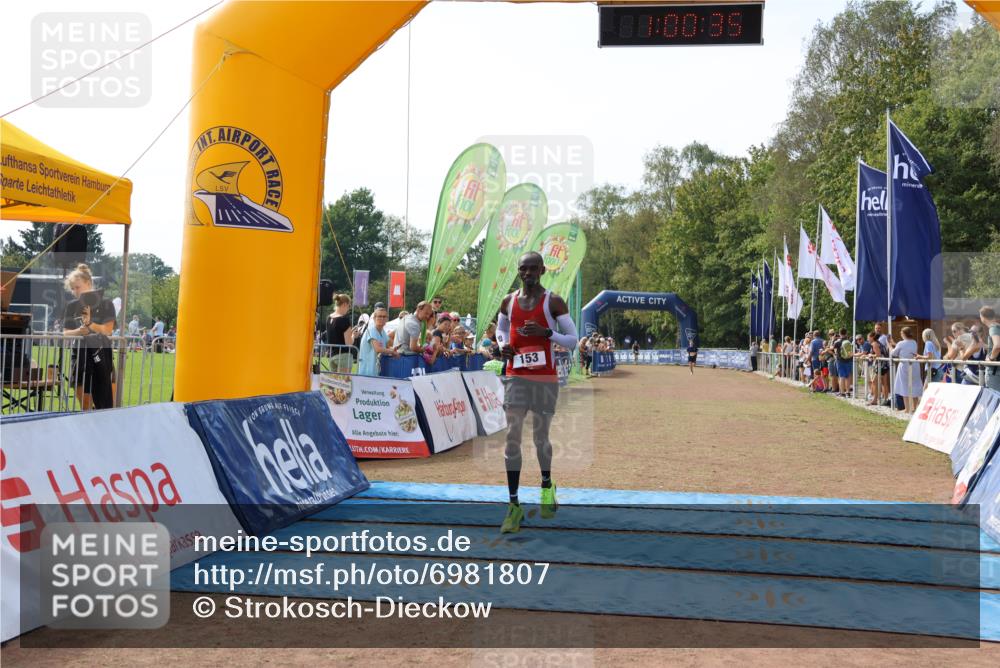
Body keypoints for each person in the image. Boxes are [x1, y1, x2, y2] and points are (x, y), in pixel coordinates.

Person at [496, 251, 578, 534]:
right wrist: (503, 345)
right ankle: (513, 505)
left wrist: (547, 334)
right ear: (518, 271)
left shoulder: (552, 301)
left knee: (540, 437)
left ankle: (546, 487)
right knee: (511, 437)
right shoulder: (509, 301)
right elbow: (501, 330)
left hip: (544, 379)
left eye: (533, 269)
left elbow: (573, 340)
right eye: (523, 269)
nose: (528, 273)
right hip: (516, 376)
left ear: (543, 270)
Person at [61, 263, 116, 410]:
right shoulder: (71, 305)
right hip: (80, 354)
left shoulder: (106, 303)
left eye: (77, 287)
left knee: (106, 405)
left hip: (102, 354)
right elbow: (65, 332)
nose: (75, 291)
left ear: (88, 283)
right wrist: (79, 331)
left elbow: (108, 330)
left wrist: (91, 325)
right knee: (85, 405)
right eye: (72, 289)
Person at [357, 306, 398, 376]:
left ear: (387, 319)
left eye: (384, 317)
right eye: (379, 316)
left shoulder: (382, 331)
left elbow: (389, 345)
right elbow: (378, 349)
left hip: (376, 369)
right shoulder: (372, 330)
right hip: (367, 370)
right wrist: (392, 352)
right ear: (374, 318)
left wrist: (395, 349)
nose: (382, 318)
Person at [890, 327, 922, 413]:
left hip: (904, 365)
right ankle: (914, 407)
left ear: (904, 334)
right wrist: (895, 344)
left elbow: (893, 353)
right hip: (914, 365)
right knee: (914, 384)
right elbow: (905, 348)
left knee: (904, 386)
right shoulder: (914, 342)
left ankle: (907, 408)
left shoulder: (901, 343)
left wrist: (890, 346)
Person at [325, 294, 356, 371]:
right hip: (343, 356)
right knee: (344, 382)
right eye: (349, 306)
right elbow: (348, 343)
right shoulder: (344, 319)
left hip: (332, 355)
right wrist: (354, 336)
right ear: (345, 304)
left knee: (334, 382)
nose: (348, 309)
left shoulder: (329, 318)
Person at [981, 306, 1000, 391]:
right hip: (996, 370)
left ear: (983, 317)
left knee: (995, 398)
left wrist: (990, 359)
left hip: (994, 371)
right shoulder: (998, 327)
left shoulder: (993, 328)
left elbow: (998, 346)